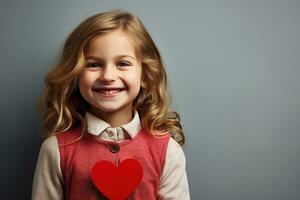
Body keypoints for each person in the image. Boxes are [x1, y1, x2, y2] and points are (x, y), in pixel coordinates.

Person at [32, 10, 190, 200]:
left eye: (123, 63)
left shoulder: (168, 151)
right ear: (75, 74)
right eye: (93, 65)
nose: (108, 76)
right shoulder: (55, 150)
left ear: (145, 75)